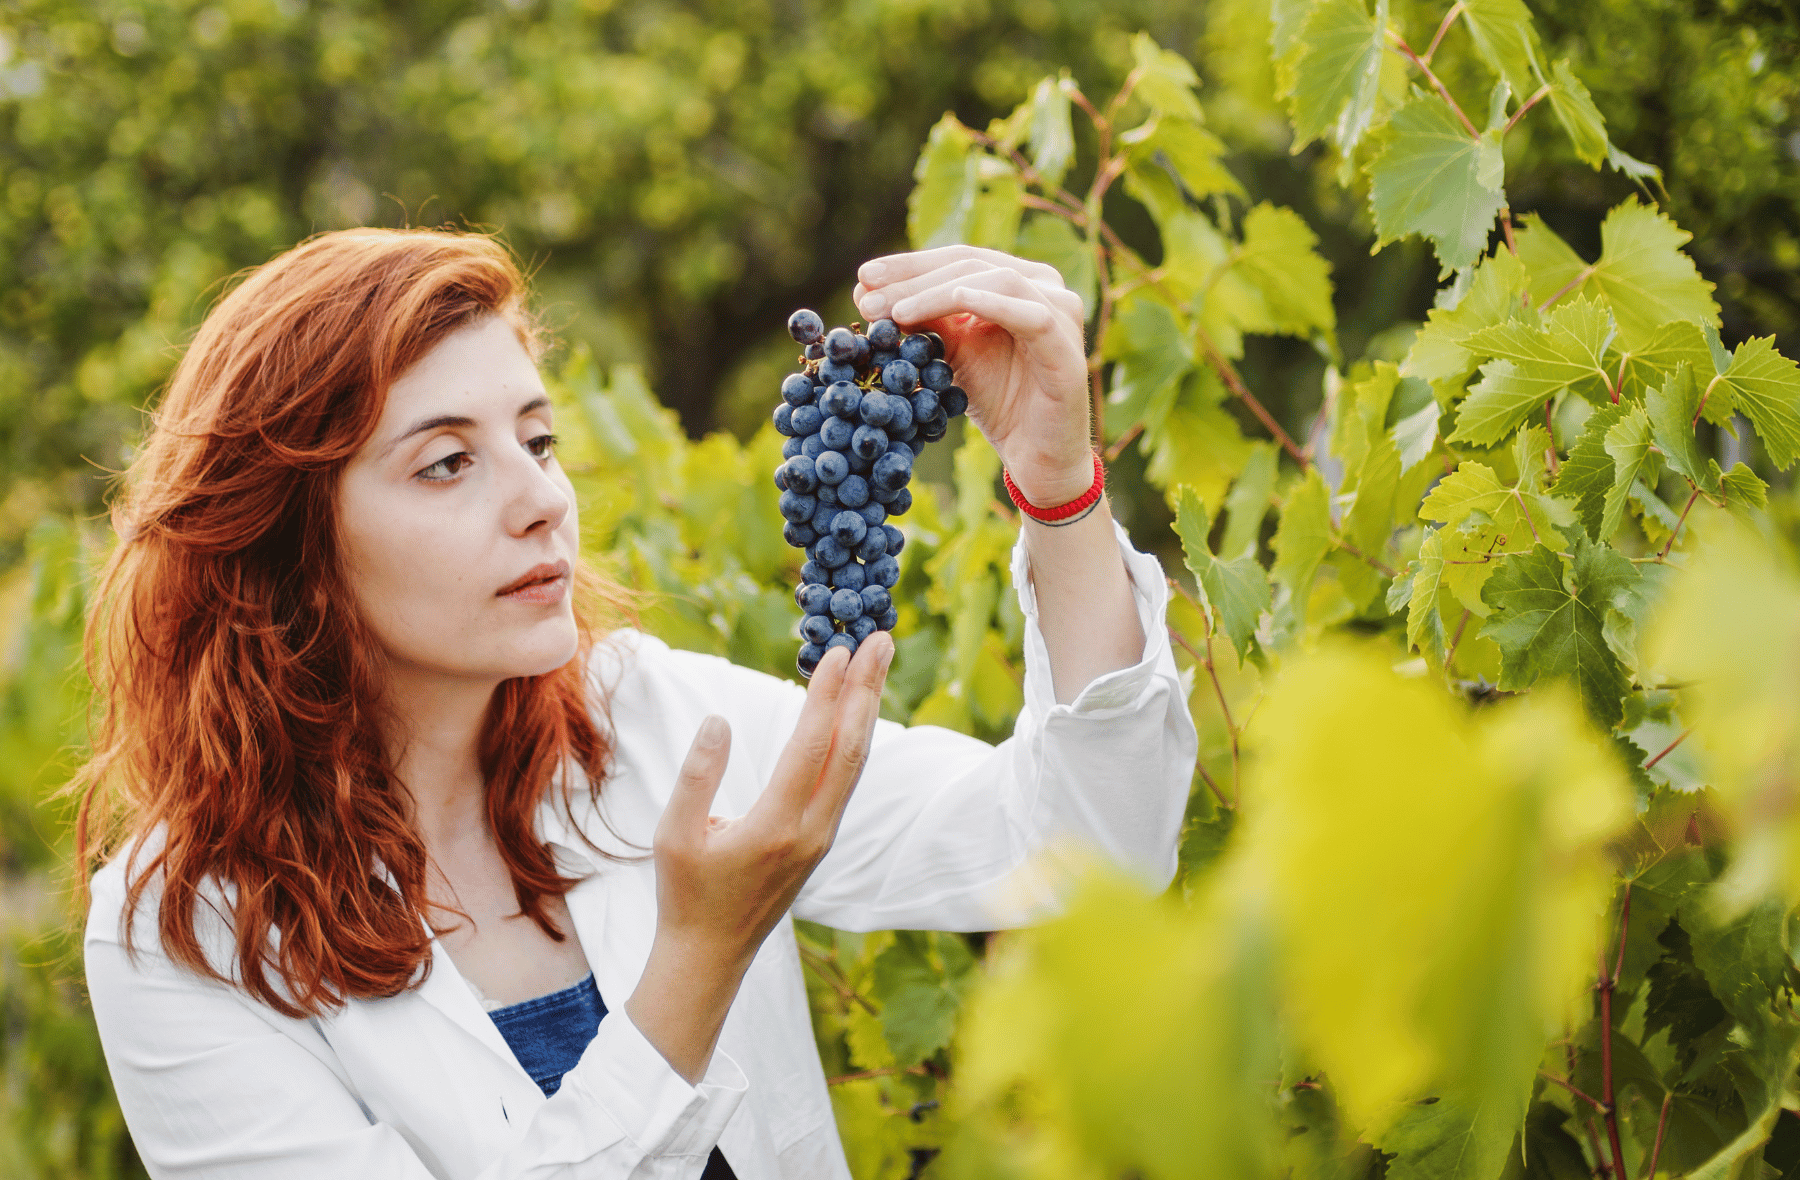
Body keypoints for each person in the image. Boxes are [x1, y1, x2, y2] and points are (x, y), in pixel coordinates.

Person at [75, 227, 1197, 1180]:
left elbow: (1082, 850)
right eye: (446, 464)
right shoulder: (181, 935)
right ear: (288, 539)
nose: (540, 501)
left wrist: (1060, 491)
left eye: (537, 438)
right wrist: (697, 962)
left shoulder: (644, 722)